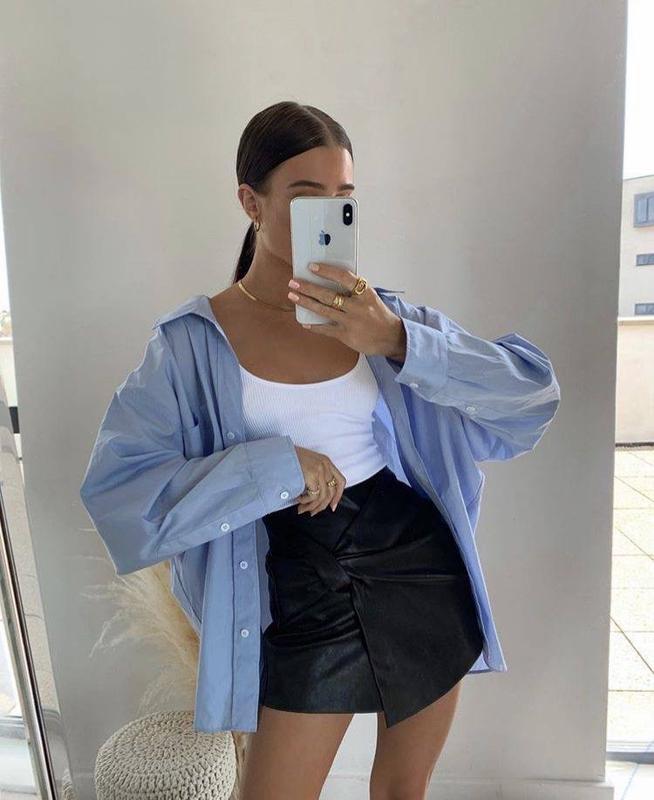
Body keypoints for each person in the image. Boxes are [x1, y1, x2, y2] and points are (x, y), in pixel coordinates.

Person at [80, 100, 561, 800]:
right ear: (251, 202)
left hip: (419, 568)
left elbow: (531, 397)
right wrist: (275, 467)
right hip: (297, 587)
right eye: (308, 196)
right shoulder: (191, 344)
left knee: (402, 792)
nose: (330, 215)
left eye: (344, 197)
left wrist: (397, 340)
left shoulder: (382, 317)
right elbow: (118, 494)